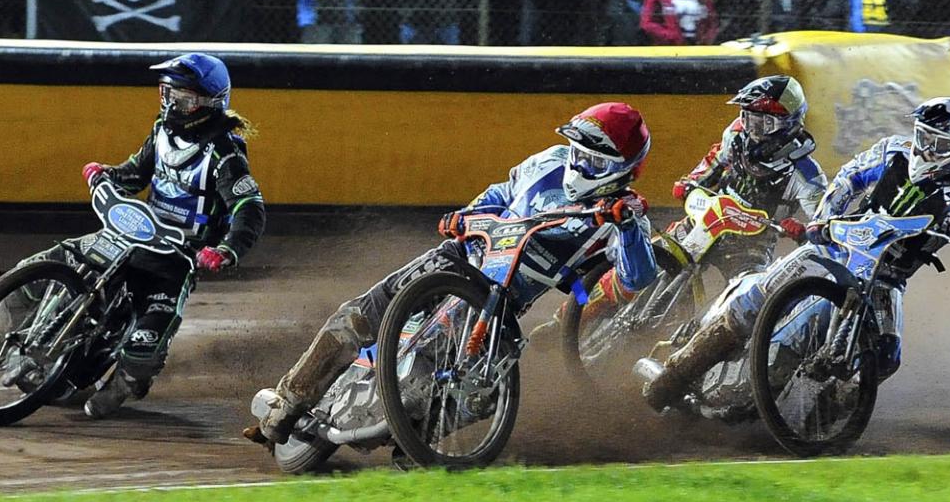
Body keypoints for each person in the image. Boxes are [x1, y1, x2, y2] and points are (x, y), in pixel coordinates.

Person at [246, 102, 660, 445]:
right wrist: (467, 215)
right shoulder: (548, 161)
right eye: (576, 150)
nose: (577, 161)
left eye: (591, 158)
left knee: (484, 392)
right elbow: (502, 191)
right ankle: (289, 399)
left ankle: (419, 445)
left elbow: (637, 277)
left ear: (620, 169)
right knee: (361, 314)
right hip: (462, 256)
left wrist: (625, 225)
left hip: (505, 302)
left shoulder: (627, 214)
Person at [639, 96, 950, 414]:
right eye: (924, 138)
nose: (927, 151)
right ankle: (676, 373)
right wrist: (823, 219)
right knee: (757, 297)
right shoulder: (892, 150)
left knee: (886, 356)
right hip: (834, 248)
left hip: (885, 281)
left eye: (939, 145)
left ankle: (821, 416)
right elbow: (850, 177)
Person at [0, 54, 267, 418]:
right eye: (168, 94)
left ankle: (123, 383)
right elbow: (136, 172)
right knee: (40, 266)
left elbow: (248, 207)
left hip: (175, 257)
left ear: (208, 103)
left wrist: (225, 250)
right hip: (130, 230)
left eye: (183, 99)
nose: (172, 104)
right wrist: (105, 174)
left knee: (150, 335)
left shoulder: (226, 153)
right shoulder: (161, 130)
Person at [539, 76, 825, 355]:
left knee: (740, 306)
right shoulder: (736, 134)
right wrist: (693, 180)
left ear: (789, 123)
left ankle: (694, 364)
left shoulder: (806, 174)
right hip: (707, 218)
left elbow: (822, 218)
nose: (754, 130)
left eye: (764, 122)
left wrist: (803, 229)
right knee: (632, 262)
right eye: (749, 119)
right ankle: (563, 316)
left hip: (751, 244)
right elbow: (716, 159)